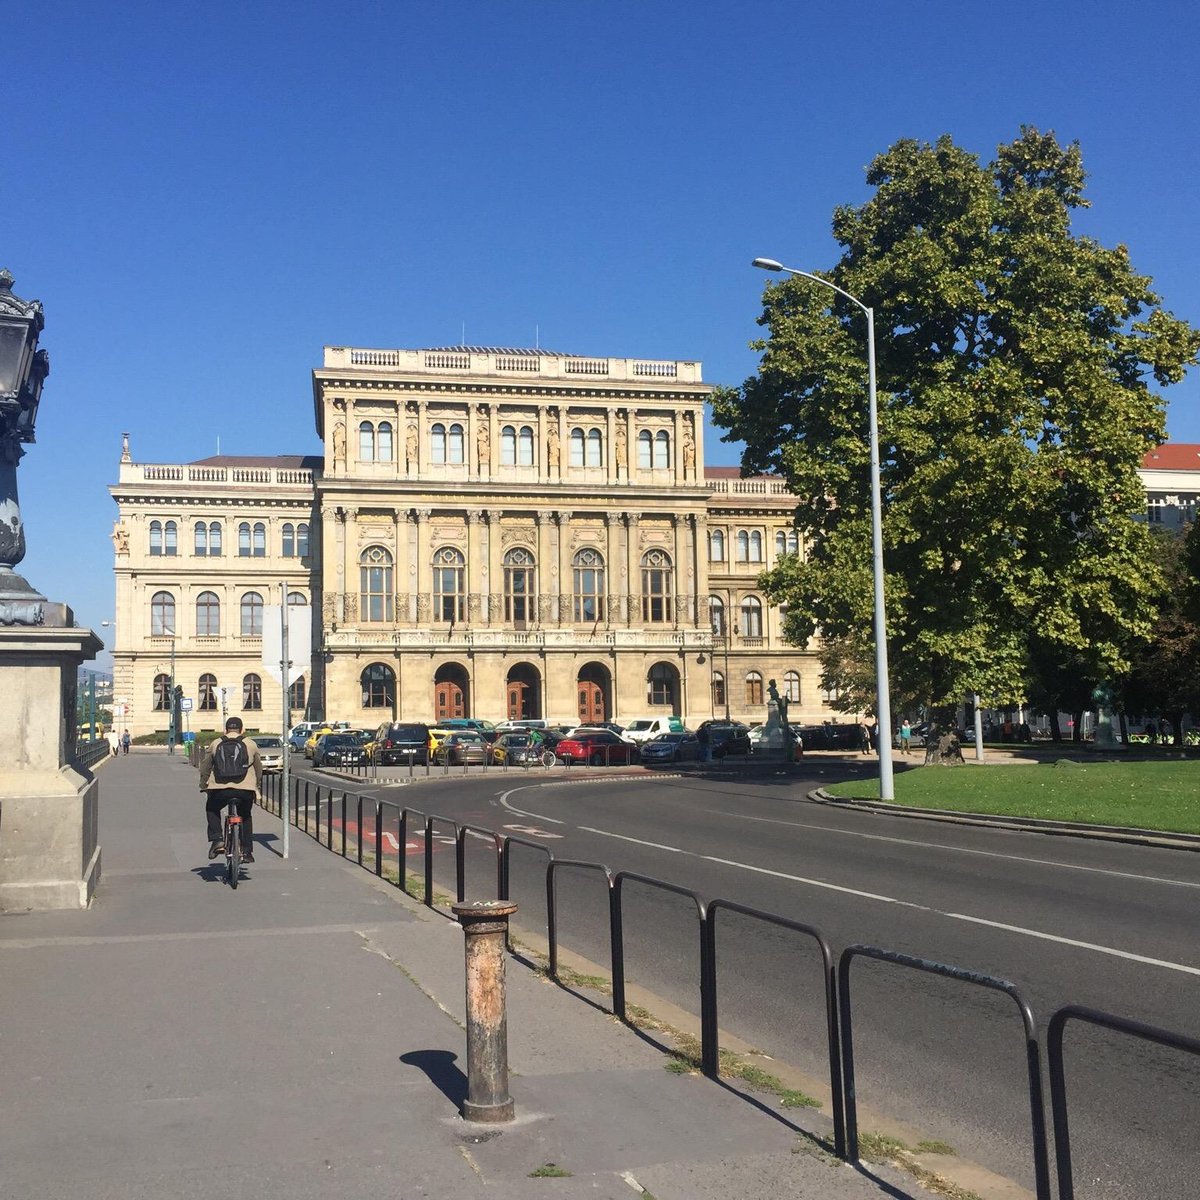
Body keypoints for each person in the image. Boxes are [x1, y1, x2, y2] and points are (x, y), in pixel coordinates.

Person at [199, 716, 264, 863]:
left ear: (225, 729)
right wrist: (256, 787)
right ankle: (247, 852)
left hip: (220, 790)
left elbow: (205, 767)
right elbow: (259, 769)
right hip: (245, 790)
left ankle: (217, 839)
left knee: (211, 808)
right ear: (242, 730)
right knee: (245, 816)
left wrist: (204, 785)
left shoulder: (216, 743)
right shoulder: (251, 744)